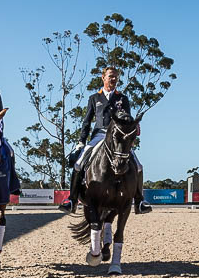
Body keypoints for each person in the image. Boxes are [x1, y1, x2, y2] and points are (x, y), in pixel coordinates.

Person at [59, 67, 151, 214]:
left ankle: (139, 201)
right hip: (99, 135)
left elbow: (128, 119)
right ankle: (72, 200)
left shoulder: (123, 98)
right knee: (78, 163)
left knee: (138, 166)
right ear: (103, 78)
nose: (113, 79)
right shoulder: (94, 98)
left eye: (116, 77)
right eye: (110, 76)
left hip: (119, 137)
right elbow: (87, 122)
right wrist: (81, 142)